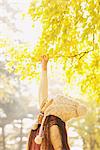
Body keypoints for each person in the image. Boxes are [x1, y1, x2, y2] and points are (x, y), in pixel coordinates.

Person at [27, 55, 70, 150]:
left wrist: (44, 68)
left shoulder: (52, 121)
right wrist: (44, 68)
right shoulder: (43, 121)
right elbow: (43, 93)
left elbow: (59, 147)